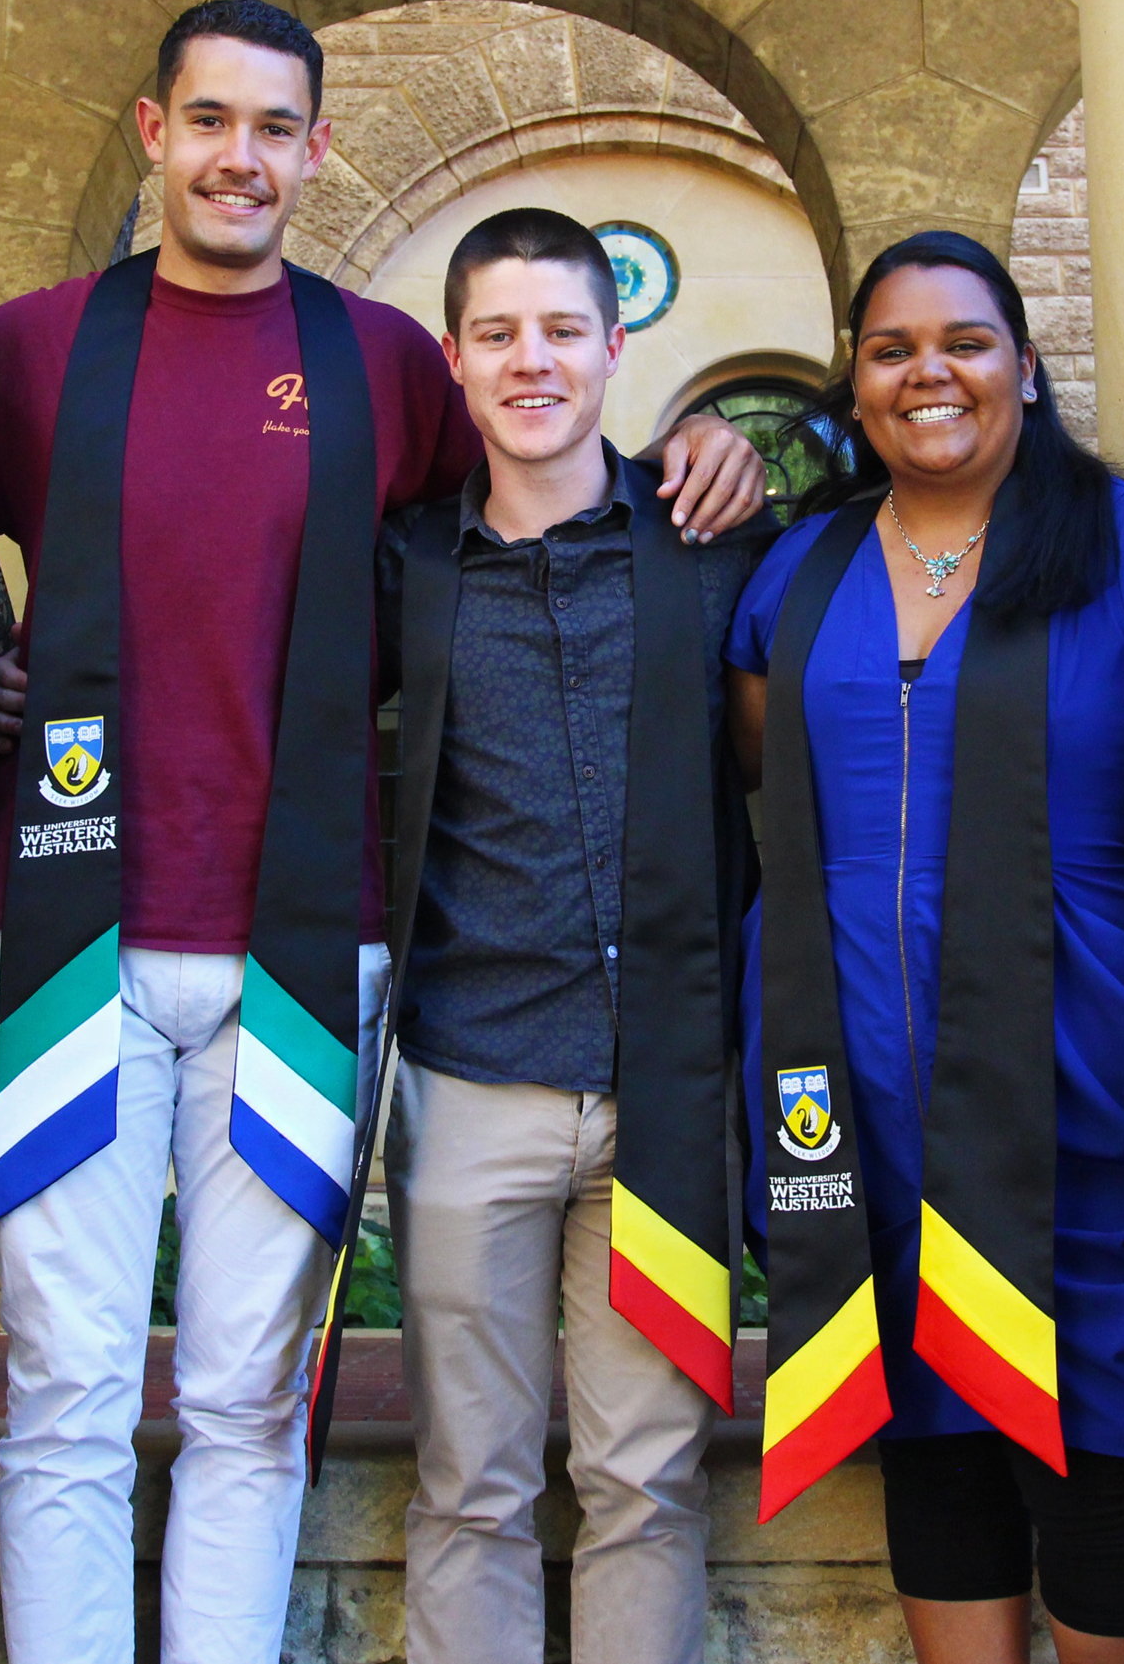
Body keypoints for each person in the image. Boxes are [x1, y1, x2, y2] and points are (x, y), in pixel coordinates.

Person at [0, 0, 763, 1664]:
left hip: (309, 945)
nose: (241, 156)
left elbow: (552, 481)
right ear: (155, 130)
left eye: (275, 128)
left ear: (317, 151)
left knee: (252, 1390)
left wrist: (704, 441)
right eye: (210, 121)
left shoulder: (385, 363)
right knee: (68, 1379)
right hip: (67, 929)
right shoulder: (28, 352)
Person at [728, 230, 1124, 1664]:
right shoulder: (803, 566)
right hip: (850, 1063)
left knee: (1093, 1421)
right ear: (855, 384)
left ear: (1023, 362)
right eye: (890, 349)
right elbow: (775, 783)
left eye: (963, 340)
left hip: (1080, 1061)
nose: (927, 371)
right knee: (926, 1419)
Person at [374, 208, 770, 1664]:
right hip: (474, 1075)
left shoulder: (713, 546)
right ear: (454, 358)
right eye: (497, 332)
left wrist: (725, 436)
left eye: (560, 330)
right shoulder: (405, 565)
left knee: (645, 1477)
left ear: (615, 347)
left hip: (671, 1087)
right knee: (469, 1479)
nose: (530, 360)